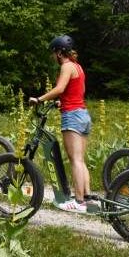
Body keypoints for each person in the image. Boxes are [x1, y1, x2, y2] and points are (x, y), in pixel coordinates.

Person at [28, 35, 93, 213]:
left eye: (53, 53)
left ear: (59, 52)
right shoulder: (78, 67)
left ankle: (78, 202)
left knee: (75, 160)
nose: (52, 57)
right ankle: (87, 197)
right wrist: (61, 102)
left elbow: (59, 89)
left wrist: (39, 99)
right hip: (83, 114)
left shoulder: (66, 66)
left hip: (72, 116)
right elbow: (77, 91)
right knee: (80, 159)